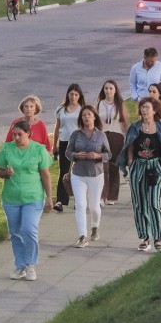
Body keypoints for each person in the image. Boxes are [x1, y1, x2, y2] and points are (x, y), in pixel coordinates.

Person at [0, 120, 54, 281]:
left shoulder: (38, 150)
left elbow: (45, 175)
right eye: (14, 134)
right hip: (11, 197)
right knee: (15, 232)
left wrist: (49, 197)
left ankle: (30, 264)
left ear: (28, 133)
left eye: (20, 134)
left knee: (28, 229)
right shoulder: (7, 149)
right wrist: (6, 173)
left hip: (33, 197)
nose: (16, 137)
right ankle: (19, 265)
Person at [117, 98, 161, 252]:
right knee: (140, 204)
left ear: (155, 110)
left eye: (147, 107)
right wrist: (130, 160)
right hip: (138, 166)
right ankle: (144, 238)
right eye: (142, 107)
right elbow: (129, 144)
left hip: (155, 167)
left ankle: (157, 237)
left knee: (154, 203)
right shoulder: (135, 127)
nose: (144, 110)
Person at [65, 106, 112, 247]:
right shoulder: (76, 134)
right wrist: (75, 155)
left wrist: (98, 156)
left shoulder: (101, 135)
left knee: (94, 206)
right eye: (84, 115)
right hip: (78, 173)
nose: (86, 117)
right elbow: (68, 152)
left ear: (94, 117)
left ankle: (95, 226)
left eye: (89, 115)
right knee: (80, 205)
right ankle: (82, 236)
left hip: (95, 174)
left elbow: (108, 154)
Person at [52, 84, 85, 212]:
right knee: (64, 170)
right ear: (67, 95)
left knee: (77, 172)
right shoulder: (61, 109)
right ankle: (61, 200)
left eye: (76, 94)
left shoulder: (82, 109)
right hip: (64, 141)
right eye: (71, 94)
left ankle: (78, 199)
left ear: (79, 96)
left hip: (78, 142)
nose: (73, 97)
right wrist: (54, 145)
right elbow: (57, 127)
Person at [96, 80, 130, 205]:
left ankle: (112, 195)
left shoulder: (120, 104)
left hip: (117, 137)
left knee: (114, 166)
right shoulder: (100, 104)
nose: (108, 91)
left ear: (115, 90)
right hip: (103, 136)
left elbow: (125, 122)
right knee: (103, 165)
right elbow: (96, 121)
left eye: (111, 88)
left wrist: (128, 138)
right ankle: (102, 195)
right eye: (106, 88)